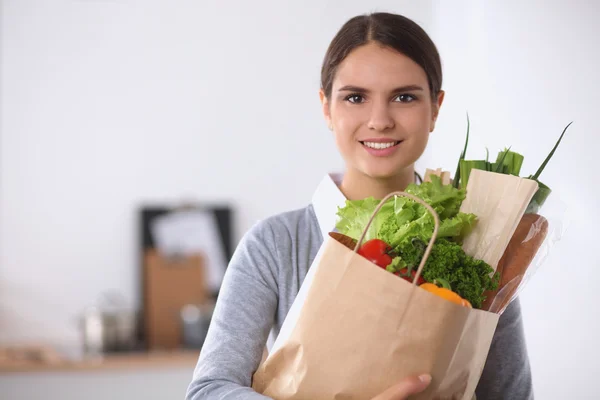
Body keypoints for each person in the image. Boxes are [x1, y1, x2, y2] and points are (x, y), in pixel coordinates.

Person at [185, 12, 533, 400]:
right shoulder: (275, 244)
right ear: (326, 107)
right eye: (355, 97)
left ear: (435, 108)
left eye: (404, 97)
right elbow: (208, 390)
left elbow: (512, 395)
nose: (379, 120)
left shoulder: (481, 245)